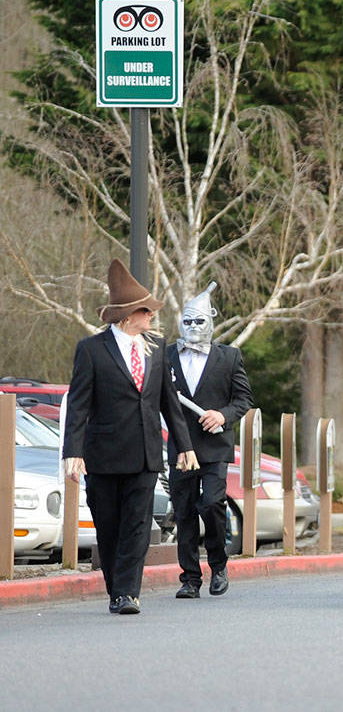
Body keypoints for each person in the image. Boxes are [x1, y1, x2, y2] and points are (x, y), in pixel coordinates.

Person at [63, 259, 197, 615]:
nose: (152, 316)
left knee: (137, 525)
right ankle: (115, 588)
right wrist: (72, 451)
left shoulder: (156, 347)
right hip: (104, 454)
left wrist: (184, 445)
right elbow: (78, 404)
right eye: (146, 311)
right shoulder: (91, 349)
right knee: (109, 526)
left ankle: (128, 593)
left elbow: (169, 402)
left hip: (145, 455)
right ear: (127, 315)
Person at [167, 282, 254, 599]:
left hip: (215, 447)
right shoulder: (166, 357)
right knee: (184, 510)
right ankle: (190, 578)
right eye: (187, 321)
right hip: (180, 447)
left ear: (211, 323)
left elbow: (243, 400)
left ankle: (218, 565)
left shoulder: (229, 357)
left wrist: (222, 415)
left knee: (213, 503)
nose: (192, 327)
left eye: (198, 321)